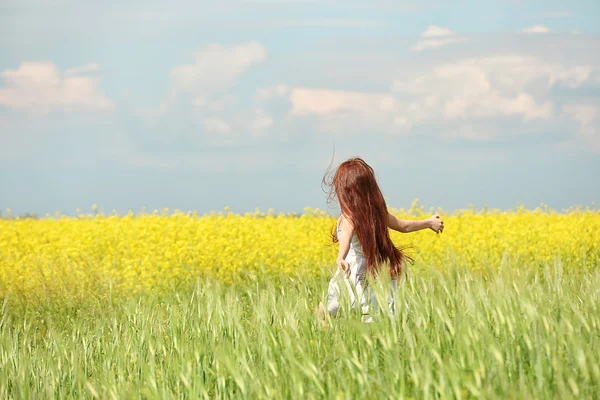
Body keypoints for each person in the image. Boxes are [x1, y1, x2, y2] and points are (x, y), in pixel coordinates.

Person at [318, 157, 444, 323]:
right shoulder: (361, 216)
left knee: (359, 310)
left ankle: (327, 326)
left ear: (345, 190)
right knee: (346, 307)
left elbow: (403, 226)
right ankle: (322, 323)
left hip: (363, 271)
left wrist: (428, 222)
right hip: (360, 271)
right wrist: (341, 256)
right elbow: (346, 239)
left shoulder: (366, 215)